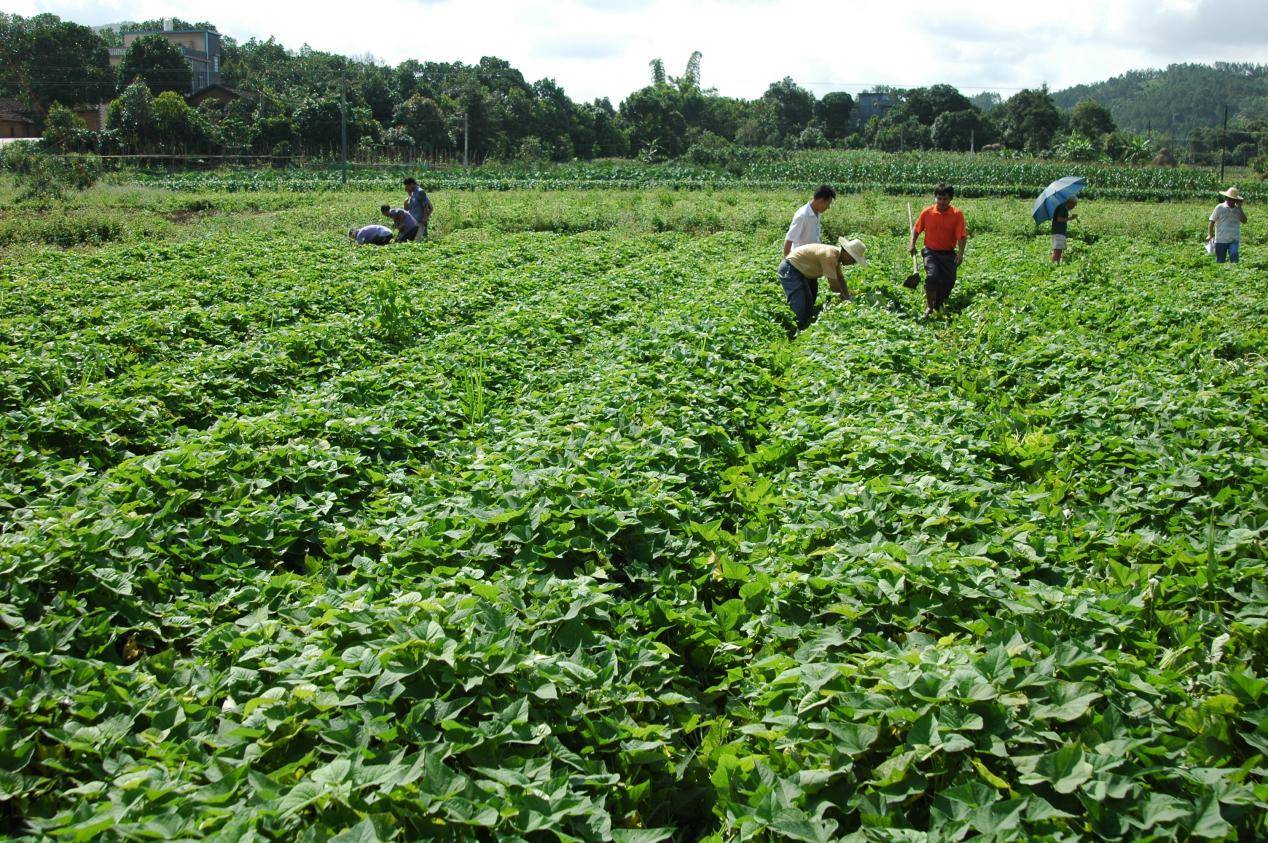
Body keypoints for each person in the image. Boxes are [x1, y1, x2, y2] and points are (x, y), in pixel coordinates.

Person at [778, 237, 867, 331]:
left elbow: (840, 279)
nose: (852, 263)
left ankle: (803, 329)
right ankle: (794, 331)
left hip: (802, 271)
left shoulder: (836, 255)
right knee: (800, 305)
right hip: (790, 269)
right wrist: (843, 300)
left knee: (809, 302)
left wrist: (847, 297)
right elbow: (833, 284)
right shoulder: (830, 256)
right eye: (853, 260)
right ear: (847, 254)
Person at [908, 183, 967, 316]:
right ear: (935, 198)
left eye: (945, 199)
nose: (941, 202)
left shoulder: (957, 215)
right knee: (932, 276)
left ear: (950, 199)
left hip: (948, 253)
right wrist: (912, 244)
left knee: (948, 281)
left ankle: (938, 303)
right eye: (939, 199)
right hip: (931, 252)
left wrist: (960, 254)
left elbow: (962, 237)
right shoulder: (927, 212)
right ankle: (929, 306)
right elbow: (917, 229)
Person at [784, 185, 836, 256]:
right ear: (821, 201)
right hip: (801, 258)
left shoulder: (817, 213)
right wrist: (786, 262)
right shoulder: (802, 216)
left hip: (811, 257)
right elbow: (789, 239)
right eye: (828, 204)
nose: (828, 207)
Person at [1207, 187, 1247, 264]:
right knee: (1220, 261)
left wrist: (1240, 208)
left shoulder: (1238, 209)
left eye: (1233, 199)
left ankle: (1234, 274)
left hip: (1234, 239)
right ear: (1226, 198)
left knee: (1234, 256)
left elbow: (1244, 221)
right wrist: (1210, 235)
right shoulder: (1220, 207)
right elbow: (1212, 221)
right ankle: (1222, 275)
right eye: (1229, 199)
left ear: (1236, 200)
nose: (1230, 201)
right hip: (1221, 239)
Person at [1051, 196, 1078, 262]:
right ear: (1070, 202)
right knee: (1057, 250)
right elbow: (1059, 219)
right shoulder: (1062, 208)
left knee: (1059, 250)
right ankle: (1054, 265)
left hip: (1059, 231)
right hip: (1058, 231)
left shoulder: (1063, 208)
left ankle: (1056, 264)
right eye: (1074, 204)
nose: (1074, 206)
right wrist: (1070, 218)